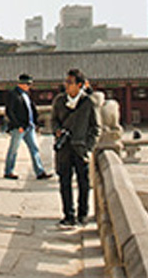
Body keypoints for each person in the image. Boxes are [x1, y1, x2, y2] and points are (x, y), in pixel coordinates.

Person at [50, 69, 100, 228]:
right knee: (64, 182)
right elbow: (54, 120)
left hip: (80, 148)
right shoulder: (59, 101)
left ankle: (83, 213)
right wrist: (57, 130)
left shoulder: (88, 103)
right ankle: (68, 215)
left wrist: (88, 147)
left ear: (79, 85)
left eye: (70, 82)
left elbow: (95, 127)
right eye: (66, 82)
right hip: (64, 147)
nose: (66, 85)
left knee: (83, 183)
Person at [3, 73, 51, 180]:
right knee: (14, 150)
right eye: (28, 84)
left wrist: (36, 122)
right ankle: (8, 171)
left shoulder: (27, 94)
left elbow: (31, 109)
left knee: (34, 149)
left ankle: (40, 171)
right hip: (19, 127)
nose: (29, 86)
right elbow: (9, 111)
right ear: (22, 84)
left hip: (29, 126)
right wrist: (17, 125)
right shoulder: (13, 94)